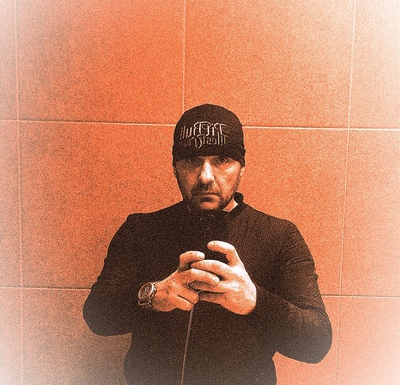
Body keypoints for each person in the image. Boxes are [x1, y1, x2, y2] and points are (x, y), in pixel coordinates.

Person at [83, 104, 332, 385]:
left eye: (222, 159)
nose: (205, 176)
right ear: (175, 167)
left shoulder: (279, 236)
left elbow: (316, 342)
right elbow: (97, 315)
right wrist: (152, 295)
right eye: (191, 160)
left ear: (241, 167)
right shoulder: (141, 230)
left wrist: (255, 302)